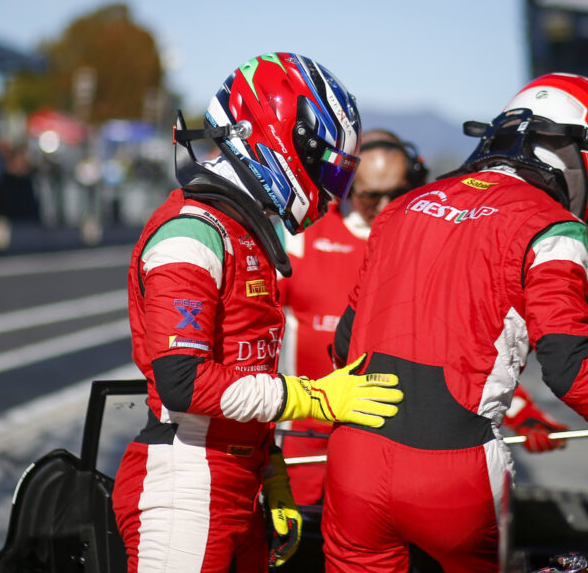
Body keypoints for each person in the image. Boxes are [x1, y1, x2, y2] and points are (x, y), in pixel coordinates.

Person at [321, 73, 588, 572]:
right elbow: (571, 370)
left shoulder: (401, 207)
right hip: (453, 472)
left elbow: (344, 344)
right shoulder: (552, 227)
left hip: (353, 462)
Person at [110, 52, 403, 572]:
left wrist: (271, 470)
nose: (328, 190)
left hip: (236, 480)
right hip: (186, 489)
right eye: (325, 167)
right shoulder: (191, 232)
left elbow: (245, 370)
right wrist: (314, 398)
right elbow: (183, 382)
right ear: (279, 141)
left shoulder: (242, 227)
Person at [279, 130, 568, 506]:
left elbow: (463, 346)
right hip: (302, 451)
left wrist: (520, 411)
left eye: (398, 193)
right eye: (370, 196)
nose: (385, 206)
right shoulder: (301, 236)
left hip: (384, 453)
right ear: (347, 189)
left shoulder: (434, 239)